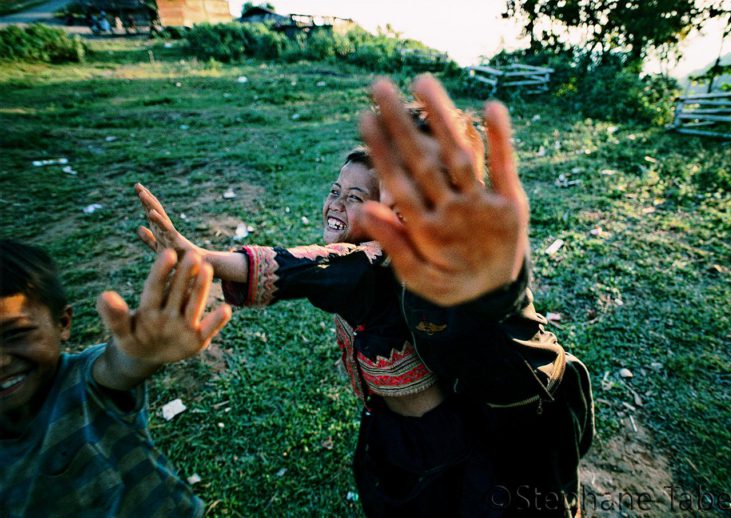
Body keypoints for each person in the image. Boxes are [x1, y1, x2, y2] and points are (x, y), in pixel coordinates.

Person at [134, 145, 498, 516]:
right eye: (335, 190)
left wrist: (202, 258)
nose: (337, 203)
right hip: (385, 416)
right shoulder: (361, 261)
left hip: (430, 438)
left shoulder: (372, 262)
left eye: (356, 197)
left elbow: (306, 267)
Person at [357, 75, 594, 516]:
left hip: (534, 408)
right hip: (474, 407)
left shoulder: (476, 255)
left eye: (437, 176)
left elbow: (501, 292)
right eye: (399, 170)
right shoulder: (398, 250)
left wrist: (494, 289)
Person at [0, 240, 231, 516]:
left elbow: (118, 367)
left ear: (62, 323)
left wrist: (145, 354)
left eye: (15, 334)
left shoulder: (81, 382)